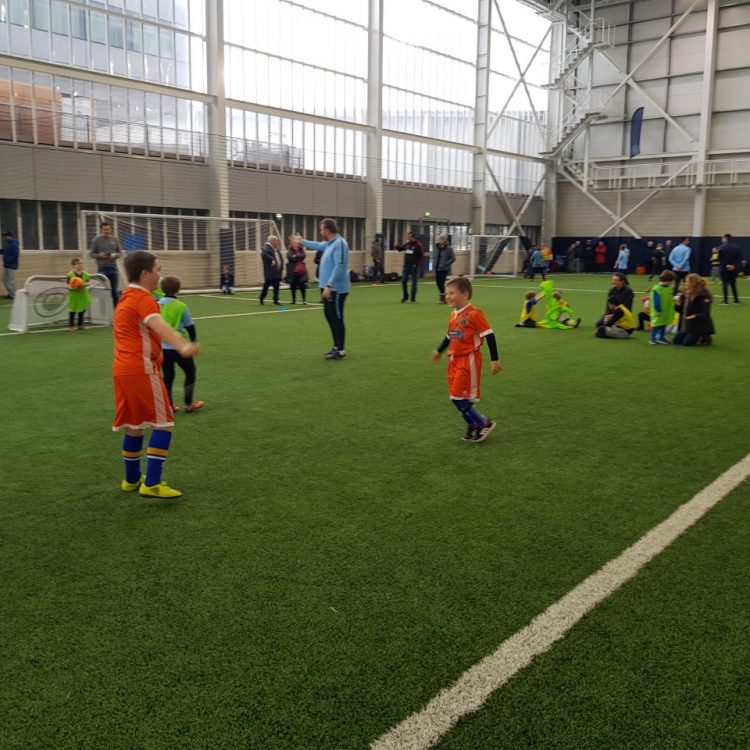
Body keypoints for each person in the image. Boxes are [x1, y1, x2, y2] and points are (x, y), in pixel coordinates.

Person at [112, 251, 199, 499]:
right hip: (141, 369)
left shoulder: (124, 298)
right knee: (164, 423)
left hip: (122, 370)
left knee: (135, 425)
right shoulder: (143, 298)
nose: (159, 274)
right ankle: (152, 483)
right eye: (157, 269)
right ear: (145, 273)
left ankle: (131, 480)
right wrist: (183, 346)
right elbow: (159, 326)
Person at [429, 276, 502, 442]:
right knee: (455, 397)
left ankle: (484, 423)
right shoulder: (453, 315)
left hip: (468, 359)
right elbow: (450, 336)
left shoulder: (474, 314)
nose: (447, 296)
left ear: (465, 294)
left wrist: (494, 359)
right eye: (446, 293)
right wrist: (439, 351)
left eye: (452, 293)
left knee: (458, 397)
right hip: (454, 360)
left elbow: (489, 335)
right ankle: (473, 425)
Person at [290, 218, 350, 360]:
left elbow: (339, 266)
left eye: (322, 229)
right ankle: (336, 347)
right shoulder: (330, 243)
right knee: (330, 317)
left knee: (336, 318)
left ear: (328, 230)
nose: (320, 232)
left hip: (336, 289)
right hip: (327, 288)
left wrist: (329, 286)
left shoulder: (340, 244)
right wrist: (302, 241)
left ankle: (340, 350)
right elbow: (317, 245)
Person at [158, 275, 204, 414]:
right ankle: (189, 403)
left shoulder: (158, 304)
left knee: (168, 376)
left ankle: (169, 406)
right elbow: (190, 326)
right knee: (190, 372)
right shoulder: (181, 306)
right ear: (178, 290)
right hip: (179, 347)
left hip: (162, 348)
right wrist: (194, 342)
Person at [673, 273, 715, 346]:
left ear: (693, 283)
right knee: (676, 341)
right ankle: (692, 335)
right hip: (687, 324)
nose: (685, 283)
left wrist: (694, 316)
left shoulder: (703, 295)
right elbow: (680, 310)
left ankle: (703, 335)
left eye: (687, 282)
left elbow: (705, 313)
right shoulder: (685, 294)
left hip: (698, 324)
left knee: (686, 343)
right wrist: (677, 304)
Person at [90, 221, 122, 307]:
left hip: (113, 268)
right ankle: (103, 313)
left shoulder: (114, 239)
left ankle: (117, 311)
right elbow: (92, 254)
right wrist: (100, 255)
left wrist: (114, 255)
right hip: (102, 269)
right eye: (105, 230)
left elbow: (119, 252)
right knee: (103, 291)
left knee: (114, 292)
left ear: (110, 229)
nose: (107, 231)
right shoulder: (96, 240)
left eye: (108, 229)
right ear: (101, 230)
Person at [395, 231, 424, 302]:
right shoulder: (407, 244)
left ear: (412, 237)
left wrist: (417, 263)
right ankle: (405, 296)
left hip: (414, 266)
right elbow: (400, 249)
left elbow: (422, 256)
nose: (407, 238)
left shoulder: (418, 245)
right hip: (406, 266)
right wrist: (396, 246)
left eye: (409, 237)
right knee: (404, 281)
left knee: (414, 282)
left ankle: (413, 298)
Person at [649, 270, 676, 345]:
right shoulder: (657, 289)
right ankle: (653, 338)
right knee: (656, 325)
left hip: (665, 311)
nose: (672, 283)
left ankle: (661, 337)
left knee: (663, 324)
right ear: (667, 281)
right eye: (671, 281)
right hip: (658, 311)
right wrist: (658, 310)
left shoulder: (668, 288)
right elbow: (656, 301)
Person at [66, 258, 91, 331]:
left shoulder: (85, 274)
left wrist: (82, 284)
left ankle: (80, 325)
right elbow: (68, 285)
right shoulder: (70, 274)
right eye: (78, 263)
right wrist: (73, 287)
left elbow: (88, 283)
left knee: (82, 309)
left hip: (82, 294)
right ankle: (71, 326)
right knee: (72, 310)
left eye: (81, 263)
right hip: (74, 295)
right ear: (74, 265)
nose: (80, 265)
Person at [717, 233, 742, 305]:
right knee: (733, 284)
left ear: (725, 238)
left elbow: (719, 258)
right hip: (734, 269)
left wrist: (726, 265)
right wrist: (734, 266)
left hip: (724, 269)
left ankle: (725, 301)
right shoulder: (737, 247)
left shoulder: (721, 247)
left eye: (722, 238)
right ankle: (736, 300)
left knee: (725, 284)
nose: (722, 240)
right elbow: (739, 259)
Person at [259, 235, 284, 305]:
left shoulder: (276, 249)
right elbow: (264, 254)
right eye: (276, 240)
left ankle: (276, 300)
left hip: (277, 271)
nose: (278, 242)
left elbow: (280, 258)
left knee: (276, 287)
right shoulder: (266, 247)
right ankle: (261, 298)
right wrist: (271, 259)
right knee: (266, 286)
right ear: (272, 241)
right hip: (270, 272)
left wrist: (281, 267)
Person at [433, 234, 455, 304]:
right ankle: (444, 295)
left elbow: (453, 258)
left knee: (441, 282)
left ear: (445, 240)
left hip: (444, 268)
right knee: (438, 283)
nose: (440, 240)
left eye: (442, 239)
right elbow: (435, 256)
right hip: (437, 267)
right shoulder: (436, 247)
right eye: (439, 239)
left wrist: (445, 263)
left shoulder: (449, 248)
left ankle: (443, 298)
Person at [286, 239, 309, 304]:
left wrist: (296, 256)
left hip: (301, 271)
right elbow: (291, 258)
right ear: (292, 244)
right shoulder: (289, 251)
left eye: (297, 243)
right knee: (293, 285)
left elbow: (304, 256)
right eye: (294, 243)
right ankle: (293, 299)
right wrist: (298, 257)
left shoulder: (301, 250)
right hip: (293, 271)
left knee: (302, 285)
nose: (296, 244)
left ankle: (304, 299)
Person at [1, 230, 20, 299]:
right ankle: (11, 293)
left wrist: (8, 261)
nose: (4, 237)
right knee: (4, 280)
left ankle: (15, 295)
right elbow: (3, 251)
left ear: (9, 236)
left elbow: (15, 255)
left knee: (10, 281)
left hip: (12, 266)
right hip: (6, 266)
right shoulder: (7, 244)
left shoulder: (14, 244)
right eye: (4, 236)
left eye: (5, 236)